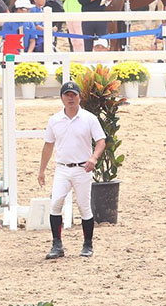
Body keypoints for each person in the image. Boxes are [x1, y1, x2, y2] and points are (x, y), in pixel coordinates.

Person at [38, 81, 106, 259]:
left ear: (79, 97)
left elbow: (101, 141)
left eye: (73, 95)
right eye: (67, 95)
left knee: (84, 207)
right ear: (61, 98)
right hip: (62, 168)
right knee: (55, 204)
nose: (70, 98)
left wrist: (93, 158)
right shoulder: (54, 120)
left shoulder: (89, 118)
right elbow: (48, 145)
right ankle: (57, 244)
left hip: (82, 168)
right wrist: (42, 170)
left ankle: (87, 244)